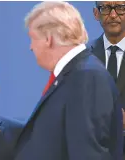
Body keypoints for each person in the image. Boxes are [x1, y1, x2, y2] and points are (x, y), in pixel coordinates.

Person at [14, 1, 123, 160]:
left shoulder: (87, 77)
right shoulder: (75, 74)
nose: (31, 47)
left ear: (48, 39)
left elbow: (88, 154)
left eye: (32, 38)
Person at [88, 1, 125, 156]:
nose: (113, 14)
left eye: (121, 8)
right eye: (106, 8)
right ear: (96, 13)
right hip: (95, 151)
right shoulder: (82, 56)